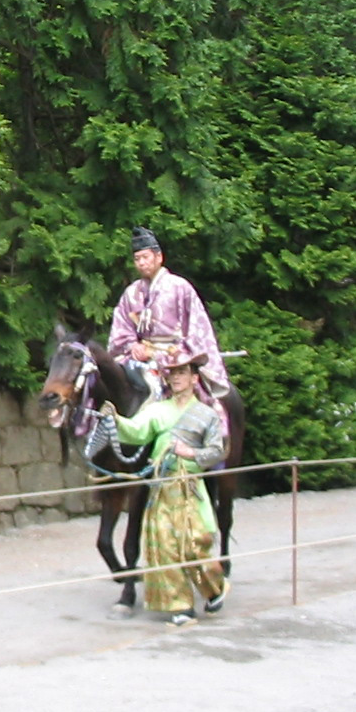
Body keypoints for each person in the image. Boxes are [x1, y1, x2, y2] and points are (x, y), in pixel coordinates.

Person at [101, 347, 227, 627]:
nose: (176, 378)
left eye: (182, 372)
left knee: (196, 544)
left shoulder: (206, 414)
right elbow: (136, 430)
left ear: (195, 377)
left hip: (190, 487)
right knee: (165, 546)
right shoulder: (157, 410)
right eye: (172, 373)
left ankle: (214, 588)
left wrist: (191, 454)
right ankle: (181, 606)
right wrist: (115, 420)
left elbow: (218, 451)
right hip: (161, 488)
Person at [108, 226, 229, 405]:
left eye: (145, 257)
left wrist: (177, 352)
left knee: (195, 394)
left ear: (159, 257)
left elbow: (197, 328)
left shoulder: (180, 287)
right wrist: (133, 346)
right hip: (140, 358)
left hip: (175, 356)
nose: (141, 263)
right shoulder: (131, 293)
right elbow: (121, 330)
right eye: (137, 259)